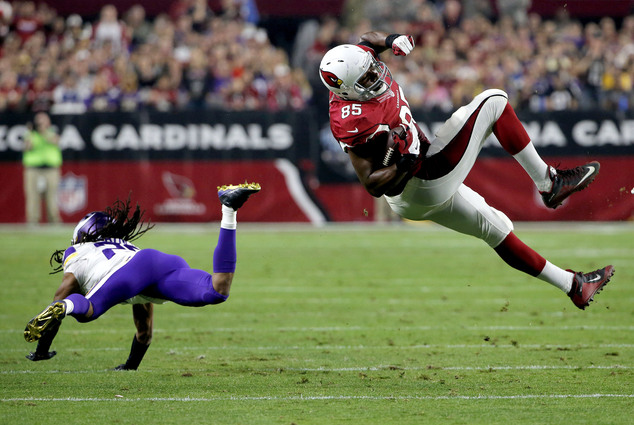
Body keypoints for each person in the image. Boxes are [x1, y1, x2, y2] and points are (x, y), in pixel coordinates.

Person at [319, 31, 614, 310]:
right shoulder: (352, 119)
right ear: (345, 90)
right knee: (494, 101)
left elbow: (366, 40)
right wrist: (402, 161)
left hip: (416, 189)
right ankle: (550, 183)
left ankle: (574, 286)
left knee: (496, 229)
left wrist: (390, 39)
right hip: (418, 178)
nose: (377, 75)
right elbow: (372, 184)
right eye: (368, 77)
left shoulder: (357, 65)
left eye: (373, 68)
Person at [24, 182, 261, 370]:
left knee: (87, 311)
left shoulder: (77, 251)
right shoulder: (124, 246)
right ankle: (228, 209)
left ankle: (67, 307)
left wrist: (43, 346)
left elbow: (60, 294)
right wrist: (130, 367)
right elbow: (144, 332)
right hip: (157, 262)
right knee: (217, 290)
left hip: (129, 273)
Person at [23, 112, 63, 224]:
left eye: (43, 120)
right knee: (32, 196)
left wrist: (43, 131)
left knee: (52, 196)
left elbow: (55, 141)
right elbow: (27, 147)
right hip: (33, 168)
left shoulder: (52, 132)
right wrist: (31, 133)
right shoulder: (30, 133)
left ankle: (54, 220)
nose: (40, 123)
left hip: (51, 168)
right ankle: (32, 220)